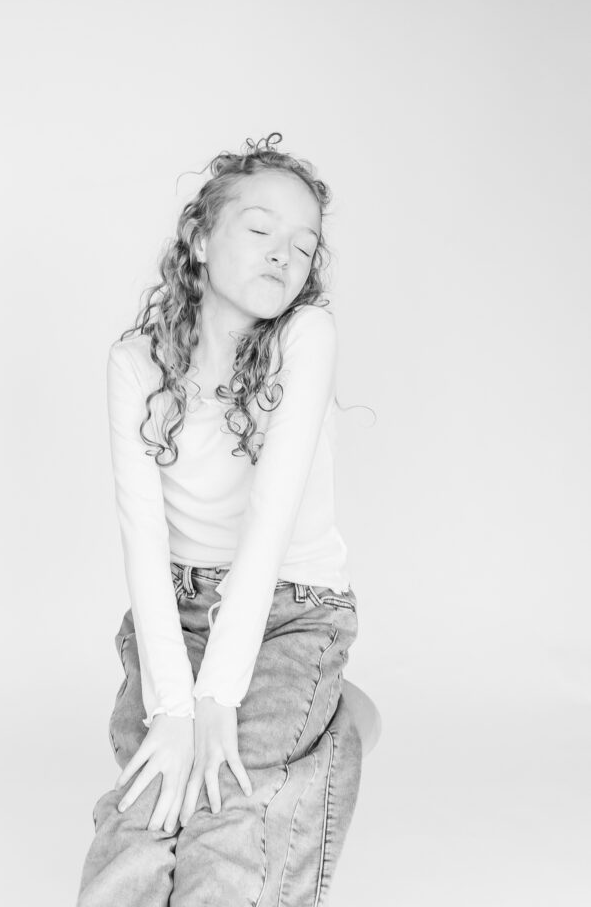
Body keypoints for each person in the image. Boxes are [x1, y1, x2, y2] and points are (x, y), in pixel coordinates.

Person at [76, 133, 363, 907]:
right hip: (177, 611)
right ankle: (320, 727)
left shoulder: (306, 336)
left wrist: (212, 703)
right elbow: (143, 539)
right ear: (200, 239)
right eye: (260, 229)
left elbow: (267, 529)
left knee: (228, 795)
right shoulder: (134, 363)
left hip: (289, 612)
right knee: (150, 794)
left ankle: (319, 725)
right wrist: (173, 708)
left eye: (303, 247)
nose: (284, 255)